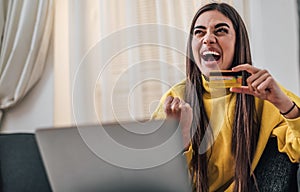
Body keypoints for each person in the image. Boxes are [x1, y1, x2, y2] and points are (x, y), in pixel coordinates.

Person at [152, 2, 300, 192]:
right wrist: (180, 139)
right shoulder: (174, 100)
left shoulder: (267, 95)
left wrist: (286, 106)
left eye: (220, 31)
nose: (208, 39)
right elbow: (155, 181)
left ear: (238, 42)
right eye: (199, 32)